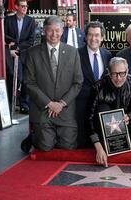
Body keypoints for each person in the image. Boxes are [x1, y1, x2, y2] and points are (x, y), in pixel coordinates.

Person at [21, 16, 83, 153]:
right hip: (43, 110)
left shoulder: (73, 52)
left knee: (68, 147)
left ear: (62, 31)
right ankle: (34, 136)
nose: (54, 34)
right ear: (44, 31)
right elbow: (29, 83)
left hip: (65, 110)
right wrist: (49, 103)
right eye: (50, 30)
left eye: (57, 30)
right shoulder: (32, 53)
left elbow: (78, 83)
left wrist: (61, 104)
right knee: (45, 147)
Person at [87, 57, 131, 167]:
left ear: (127, 71)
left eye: (122, 74)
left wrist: (129, 116)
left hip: (127, 127)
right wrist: (97, 145)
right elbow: (89, 117)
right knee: (103, 108)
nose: (118, 78)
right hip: (102, 131)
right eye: (114, 74)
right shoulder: (98, 87)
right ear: (108, 72)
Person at [76, 21, 112, 148]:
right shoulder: (76, 54)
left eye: (97, 35)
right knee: (83, 143)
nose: (93, 38)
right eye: (90, 35)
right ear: (85, 37)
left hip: (101, 104)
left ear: (102, 37)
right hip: (82, 104)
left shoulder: (107, 55)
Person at [4, 0, 36, 114]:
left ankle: (24, 105)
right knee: (13, 78)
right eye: (22, 6)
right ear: (16, 7)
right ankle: (9, 104)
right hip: (11, 54)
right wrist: (10, 43)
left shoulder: (31, 21)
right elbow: (3, 34)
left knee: (25, 80)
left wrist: (17, 47)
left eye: (26, 6)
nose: (24, 8)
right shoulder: (8, 20)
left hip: (25, 54)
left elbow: (31, 40)